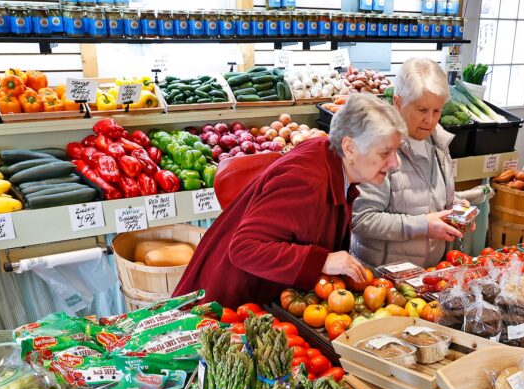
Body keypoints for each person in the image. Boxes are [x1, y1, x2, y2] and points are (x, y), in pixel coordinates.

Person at [174, 92, 406, 308]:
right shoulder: (306, 181)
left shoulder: (331, 158)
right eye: (385, 153)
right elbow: (244, 247)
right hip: (229, 301)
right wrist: (322, 261)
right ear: (350, 148)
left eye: (395, 151)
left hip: (254, 298)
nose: (395, 163)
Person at [350, 57, 465, 269]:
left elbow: (430, 196)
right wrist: (423, 225)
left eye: (437, 111)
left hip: (427, 274)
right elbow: (361, 219)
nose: (430, 120)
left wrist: (456, 208)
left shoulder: (439, 143)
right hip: (382, 277)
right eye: (422, 110)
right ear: (398, 102)